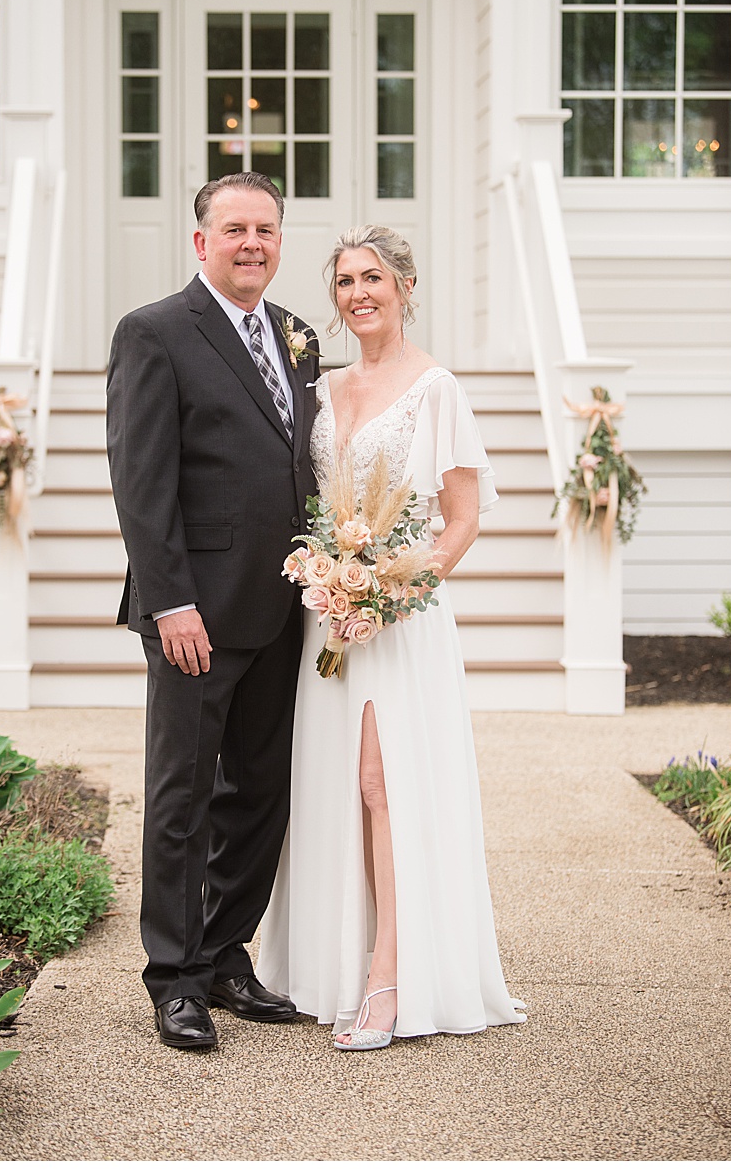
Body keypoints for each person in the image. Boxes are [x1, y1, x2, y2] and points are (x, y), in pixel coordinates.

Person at [259, 226, 527, 1050]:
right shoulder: (320, 389)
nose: (357, 293)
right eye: (344, 281)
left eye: (372, 277)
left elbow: (462, 519)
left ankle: (390, 977)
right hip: (329, 621)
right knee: (336, 784)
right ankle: (328, 966)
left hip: (399, 623)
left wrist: (386, 586)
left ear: (405, 285)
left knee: (385, 786)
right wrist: (330, 582)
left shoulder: (436, 388)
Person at [105, 171, 320, 1051]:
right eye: (234, 229)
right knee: (183, 796)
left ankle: (228, 955)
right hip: (196, 612)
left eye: (266, 230)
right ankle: (176, 977)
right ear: (202, 242)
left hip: (286, 606)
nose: (252, 244)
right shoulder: (155, 333)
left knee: (261, 792)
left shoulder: (298, 334)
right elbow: (141, 482)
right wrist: (171, 604)